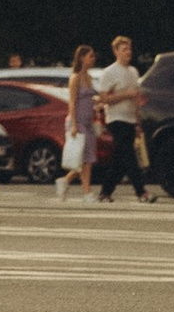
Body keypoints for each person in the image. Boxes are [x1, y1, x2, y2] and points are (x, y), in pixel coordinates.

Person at [93, 35, 152, 200]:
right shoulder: (109, 72)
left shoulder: (133, 72)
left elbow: (135, 100)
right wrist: (126, 94)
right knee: (129, 155)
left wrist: (138, 122)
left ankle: (105, 192)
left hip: (130, 119)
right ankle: (141, 192)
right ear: (116, 51)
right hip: (116, 119)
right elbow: (103, 98)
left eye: (129, 49)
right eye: (124, 49)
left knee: (120, 159)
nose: (128, 52)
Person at [59, 41, 99, 197]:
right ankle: (86, 191)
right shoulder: (75, 78)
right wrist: (74, 125)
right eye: (90, 56)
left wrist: (98, 104)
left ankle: (65, 181)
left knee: (86, 157)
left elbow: (91, 97)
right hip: (78, 122)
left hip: (88, 122)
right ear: (82, 58)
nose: (93, 58)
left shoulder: (88, 77)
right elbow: (72, 102)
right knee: (85, 159)